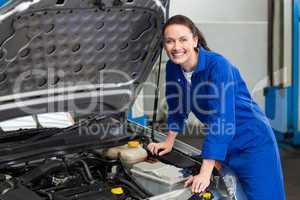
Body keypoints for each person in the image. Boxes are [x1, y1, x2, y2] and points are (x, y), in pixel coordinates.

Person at [147, 15, 285, 200]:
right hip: (222, 143)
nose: (176, 47)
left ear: (195, 40)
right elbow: (177, 107)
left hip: (252, 141)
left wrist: (205, 171)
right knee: (234, 194)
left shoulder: (218, 65)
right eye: (170, 41)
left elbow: (222, 118)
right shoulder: (173, 68)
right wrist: (169, 141)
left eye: (183, 39)